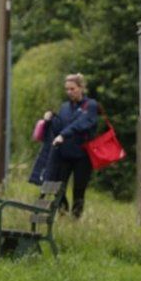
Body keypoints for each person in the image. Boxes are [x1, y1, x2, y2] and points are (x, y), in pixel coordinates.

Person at [40, 73, 100, 218]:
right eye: (67, 89)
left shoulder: (91, 105)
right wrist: (51, 118)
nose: (69, 92)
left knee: (79, 189)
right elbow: (58, 127)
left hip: (82, 155)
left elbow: (81, 124)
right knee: (58, 187)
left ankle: (75, 219)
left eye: (72, 89)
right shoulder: (64, 107)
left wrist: (64, 134)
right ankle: (63, 212)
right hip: (64, 154)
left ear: (81, 88)